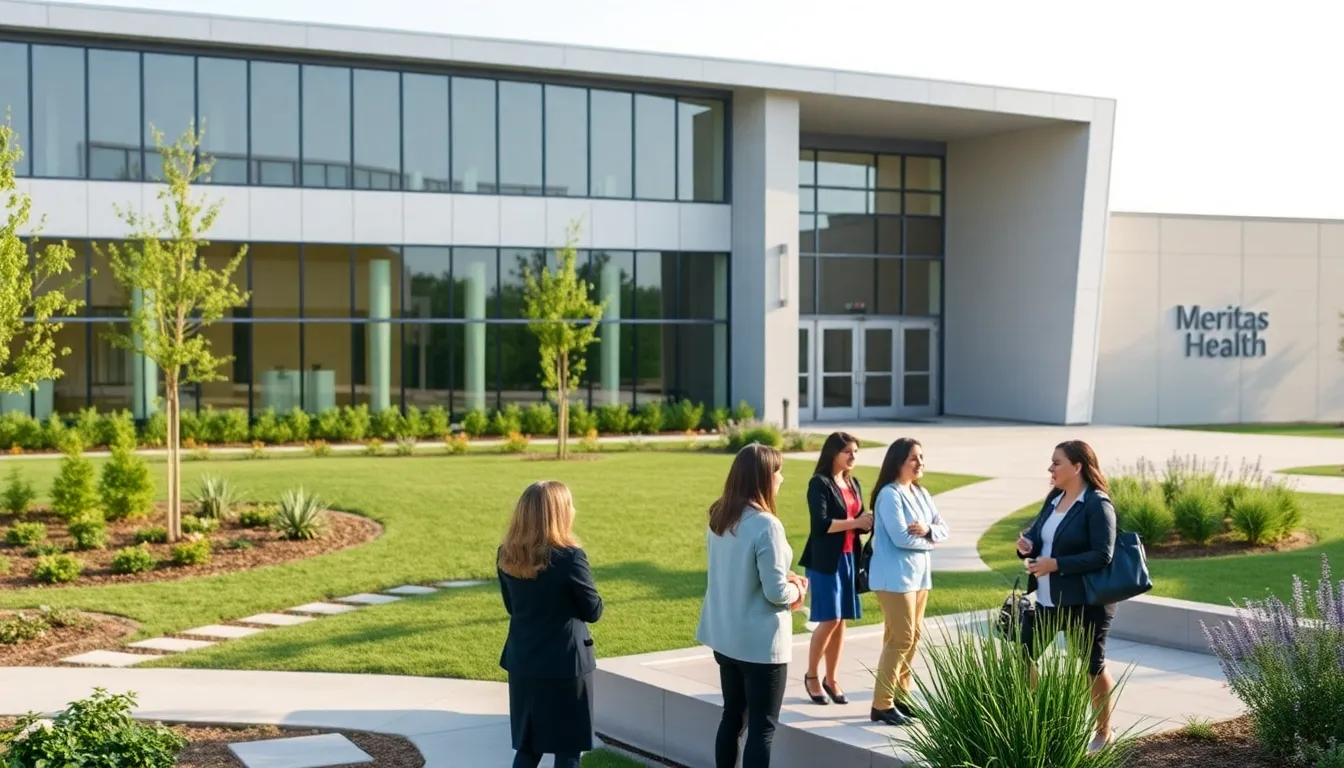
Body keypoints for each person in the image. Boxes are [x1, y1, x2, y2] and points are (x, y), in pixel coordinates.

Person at [696, 443, 806, 768]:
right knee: (762, 728)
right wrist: (797, 590)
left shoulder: (720, 516)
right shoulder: (767, 525)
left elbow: (736, 568)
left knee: (731, 718)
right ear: (763, 477)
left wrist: (782, 577)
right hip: (760, 647)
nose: (782, 478)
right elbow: (775, 593)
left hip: (725, 638)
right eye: (778, 471)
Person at [1017, 440, 1118, 753]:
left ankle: (1104, 731)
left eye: (1056, 462)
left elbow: (1103, 555)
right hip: (1048, 599)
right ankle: (1036, 718)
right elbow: (1038, 535)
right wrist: (1027, 545)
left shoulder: (1097, 504)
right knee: (1024, 655)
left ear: (1077, 467)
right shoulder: (1054, 498)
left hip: (1086, 603)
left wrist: (1055, 564)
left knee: (1092, 666)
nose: (1050, 468)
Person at [497, 481, 604, 768]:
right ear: (559, 513)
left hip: (523, 663)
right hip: (565, 666)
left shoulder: (506, 554)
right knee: (568, 749)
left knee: (529, 748)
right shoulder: (570, 558)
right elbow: (592, 610)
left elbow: (512, 607)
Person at [867, 437, 948, 727]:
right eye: (914, 458)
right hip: (894, 578)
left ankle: (901, 697)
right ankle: (882, 704)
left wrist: (928, 530)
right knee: (901, 638)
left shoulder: (921, 493)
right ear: (898, 461)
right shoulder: (889, 495)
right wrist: (930, 538)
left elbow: (944, 528)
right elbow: (901, 537)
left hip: (919, 577)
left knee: (911, 638)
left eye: (921, 457)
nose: (920, 462)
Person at [798, 431, 873, 706]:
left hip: (849, 558)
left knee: (841, 620)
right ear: (834, 453)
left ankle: (832, 678)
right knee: (829, 618)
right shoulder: (818, 483)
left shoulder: (854, 483)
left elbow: (859, 519)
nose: (853, 456)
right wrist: (855, 522)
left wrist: (867, 522)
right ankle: (811, 676)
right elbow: (821, 525)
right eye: (848, 452)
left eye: (855, 452)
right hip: (824, 561)